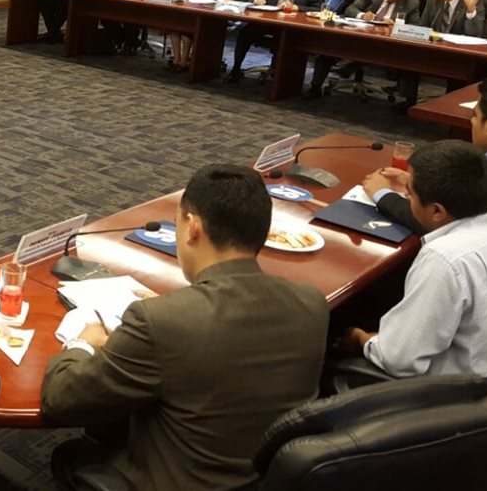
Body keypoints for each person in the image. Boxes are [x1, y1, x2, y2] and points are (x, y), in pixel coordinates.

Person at [42, 165, 328, 491]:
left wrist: (82, 344)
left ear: (191, 227)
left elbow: (61, 400)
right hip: (265, 478)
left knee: (72, 453)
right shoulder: (312, 303)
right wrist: (180, 306)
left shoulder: (161, 322)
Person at [342, 140, 487, 378]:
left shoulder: (446, 259)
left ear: (437, 211)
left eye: (410, 194)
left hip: (453, 392)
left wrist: (361, 338)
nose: (407, 197)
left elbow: (398, 360)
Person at [364, 76, 487, 241]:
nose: (471, 122)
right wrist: (419, 184)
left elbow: (441, 222)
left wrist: (381, 194)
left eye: (475, 116)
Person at [307, 0, 419, 97]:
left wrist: (398, 26)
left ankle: (408, 102)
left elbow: (415, 28)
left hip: (388, 46)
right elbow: (350, 9)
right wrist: (362, 15)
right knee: (327, 48)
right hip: (359, 38)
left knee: (413, 60)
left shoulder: (412, 4)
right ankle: (315, 88)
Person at [226, 0, 326, 83]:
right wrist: (257, 0)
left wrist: (298, 8)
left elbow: (317, 9)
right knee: (245, 31)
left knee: (286, 39)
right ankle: (236, 70)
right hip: (266, 23)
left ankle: (282, 79)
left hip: (291, 29)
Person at [392, 0, 485, 110]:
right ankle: (409, 100)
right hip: (434, 46)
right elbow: (423, 26)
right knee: (411, 54)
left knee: (460, 69)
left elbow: (475, 35)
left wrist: (471, 11)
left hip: (458, 52)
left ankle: (451, 106)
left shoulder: (473, 1)